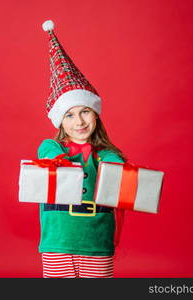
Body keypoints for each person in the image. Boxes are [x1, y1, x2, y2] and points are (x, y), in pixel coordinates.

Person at [37, 20, 126, 278]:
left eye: (85, 111)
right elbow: (46, 150)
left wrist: (114, 163)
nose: (79, 122)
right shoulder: (52, 148)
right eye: (70, 115)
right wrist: (59, 159)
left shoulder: (106, 156)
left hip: (96, 244)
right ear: (61, 121)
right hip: (57, 243)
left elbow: (114, 159)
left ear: (95, 115)